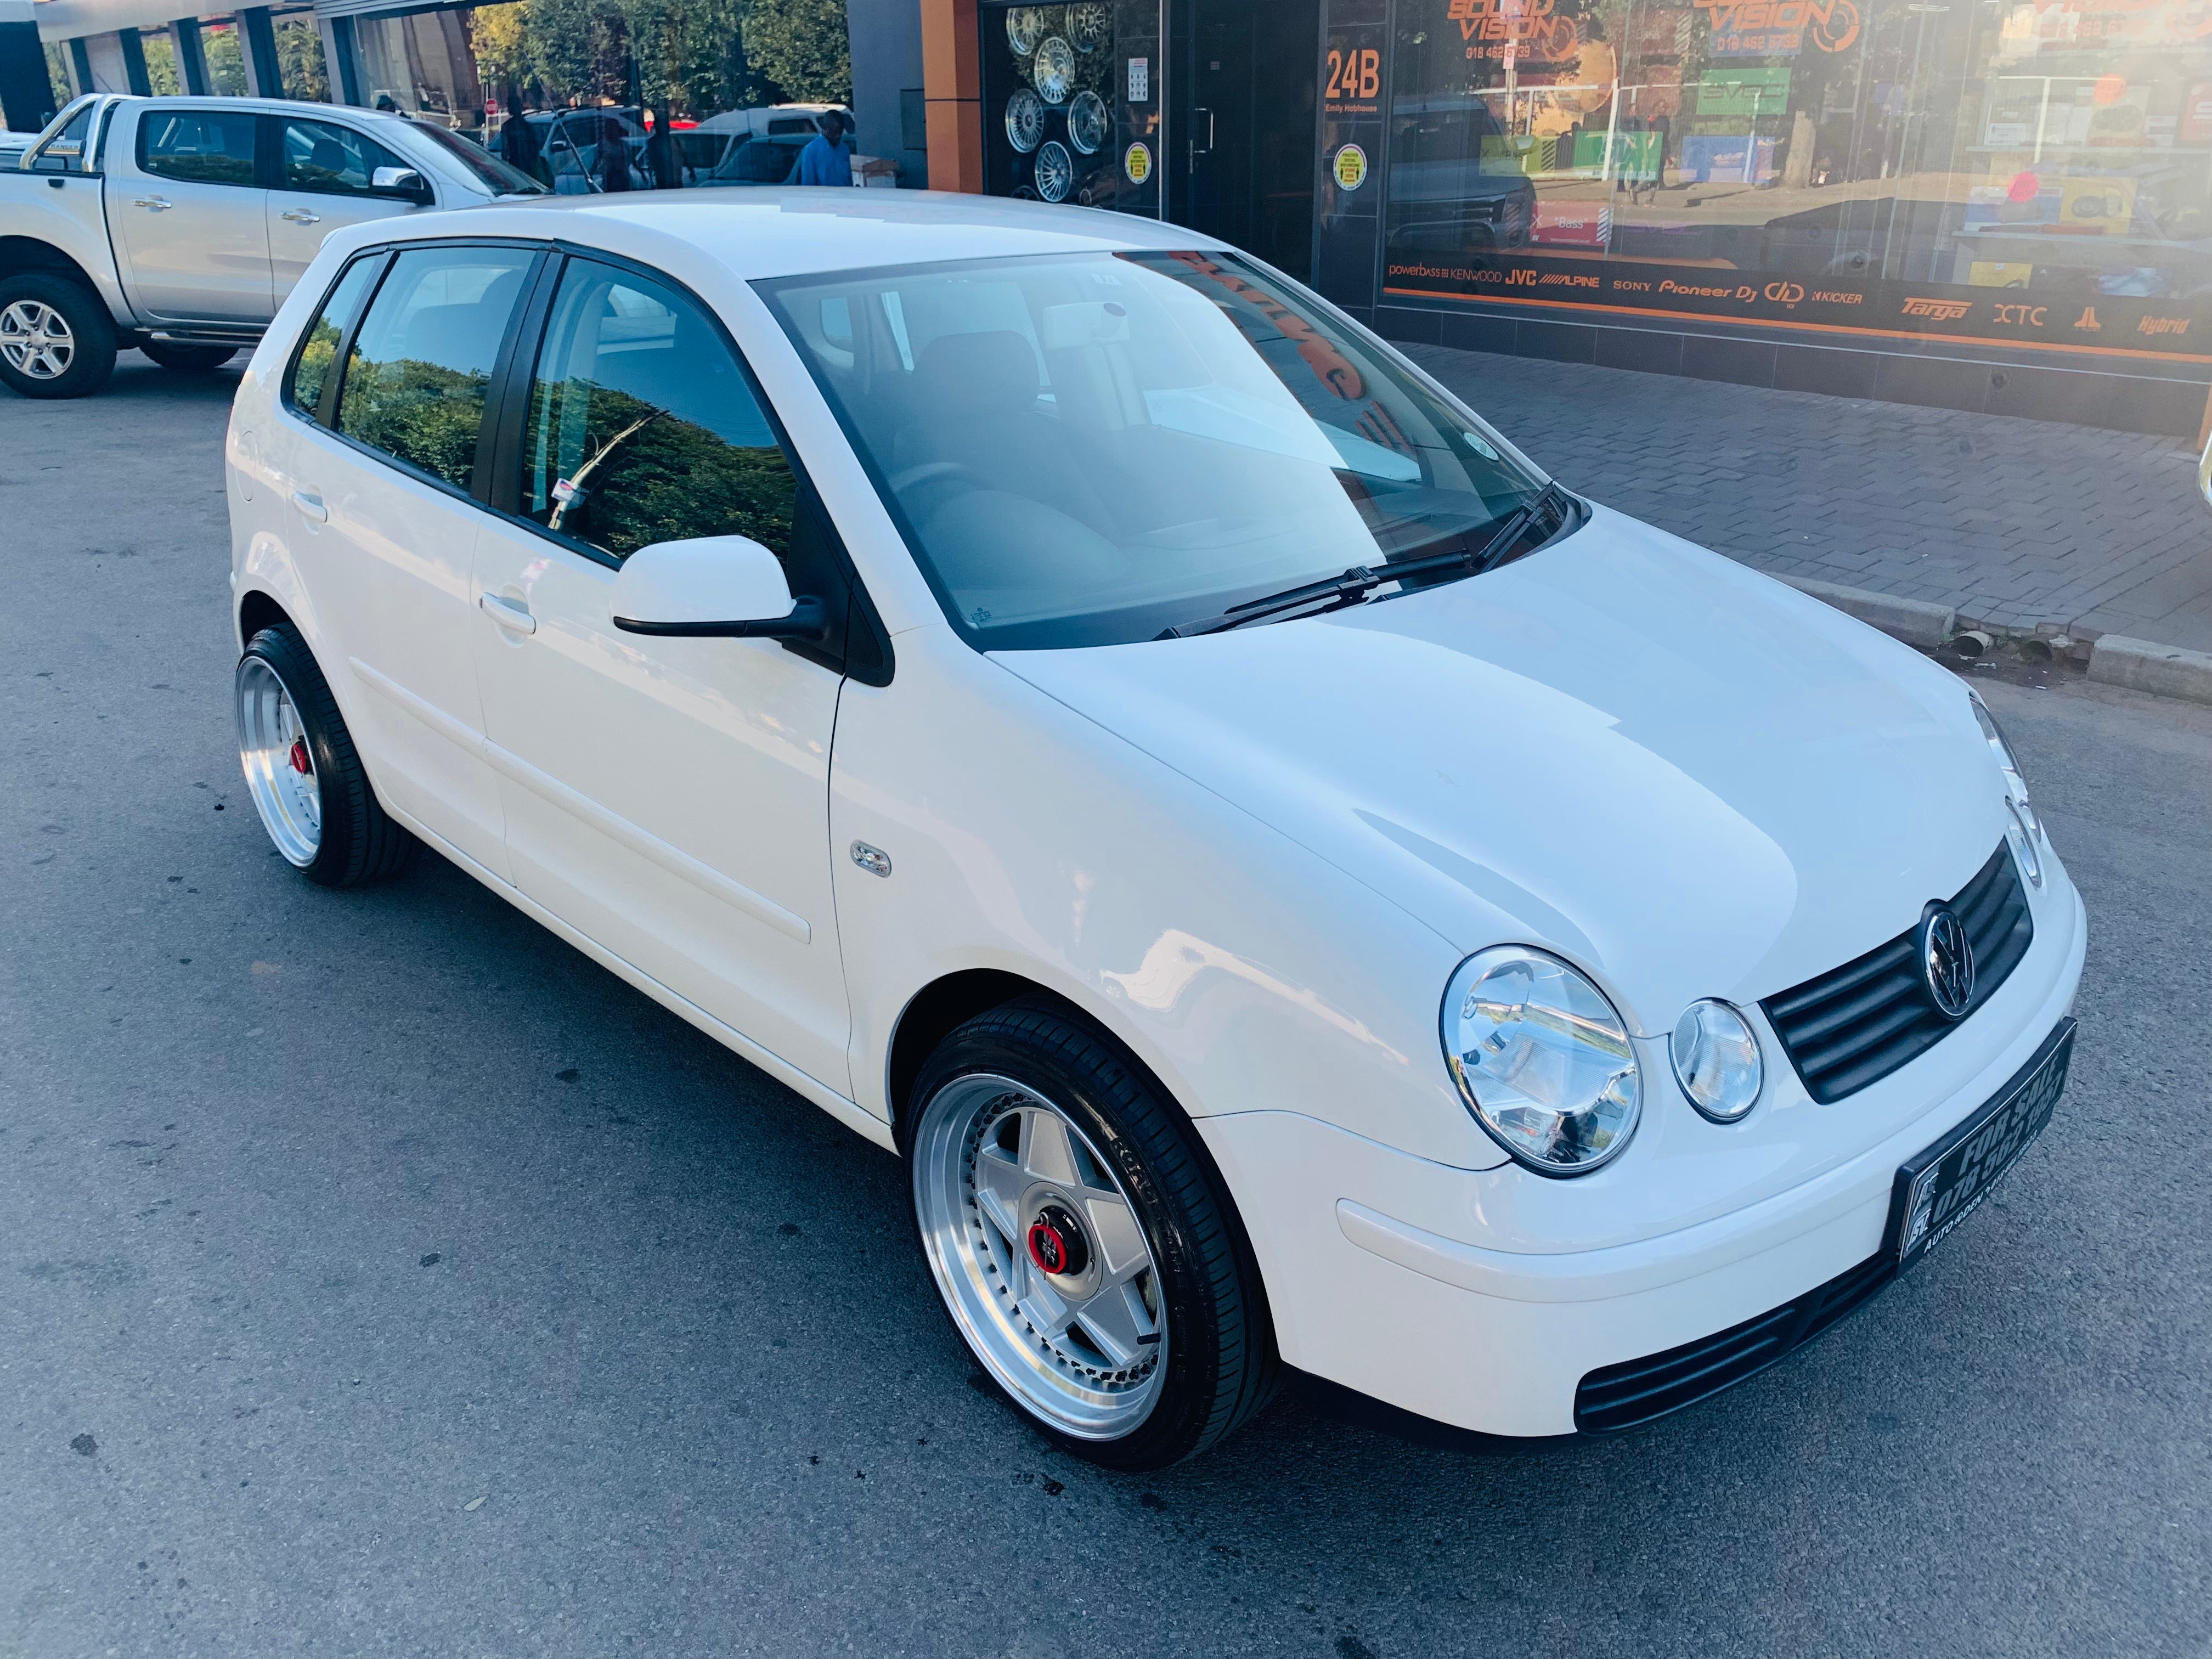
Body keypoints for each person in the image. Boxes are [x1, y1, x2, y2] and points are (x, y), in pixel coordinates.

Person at [794, 110, 853, 187]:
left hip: (845, 197)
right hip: (824, 198)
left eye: (840, 132)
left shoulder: (845, 150)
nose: (838, 136)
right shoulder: (811, 150)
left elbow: (850, 179)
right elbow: (808, 184)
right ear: (825, 129)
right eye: (834, 132)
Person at [596, 115, 633, 192]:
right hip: (610, 179)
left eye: (613, 128)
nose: (611, 131)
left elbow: (632, 160)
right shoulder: (602, 146)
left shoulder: (625, 145)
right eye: (608, 129)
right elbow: (597, 162)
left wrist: (641, 173)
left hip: (624, 178)